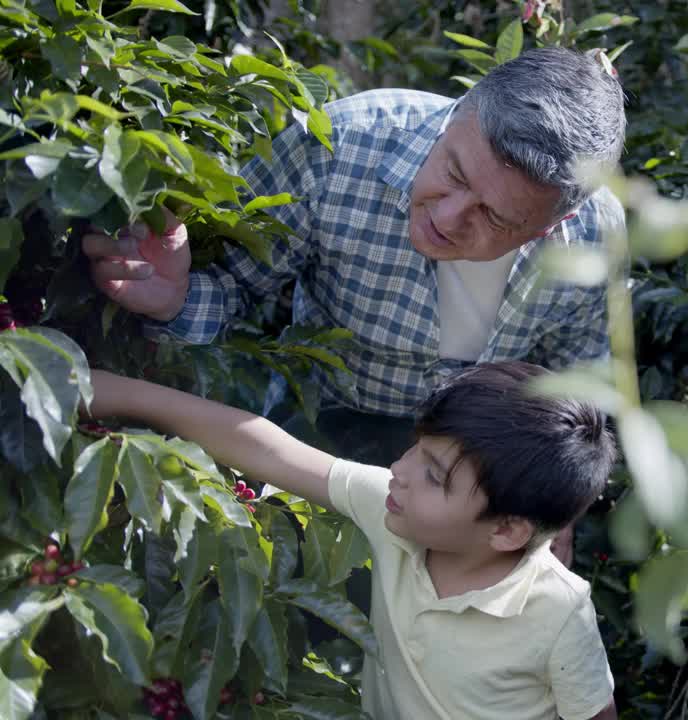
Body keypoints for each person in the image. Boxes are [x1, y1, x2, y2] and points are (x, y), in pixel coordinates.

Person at [83, 46, 625, 564]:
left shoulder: (598, 232)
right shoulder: (337, 146)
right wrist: (175, 298)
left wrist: (554, 506)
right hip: (318, 427)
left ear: (553, 224)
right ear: (458, 114)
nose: (450, 216)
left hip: (478, 478)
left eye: (495, 218)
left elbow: (578, 379)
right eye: (454, 173)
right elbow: (233, 286)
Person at [85, 361, 619, 720]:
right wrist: (123, 393)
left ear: (506, 530)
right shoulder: (397, 510)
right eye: (416, 449)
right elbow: (270, 451)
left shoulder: (558, 613)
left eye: (435, 475)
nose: (400, 470)